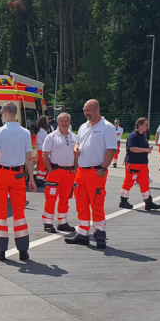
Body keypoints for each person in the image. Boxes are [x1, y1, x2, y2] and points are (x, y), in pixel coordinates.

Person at [65, 100, 117, 248]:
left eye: (89, 110)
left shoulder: (107, 127)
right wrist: (75, 148)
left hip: (96, 171)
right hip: (82, 172)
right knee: (81, 203)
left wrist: (103, 169)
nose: (86, 113)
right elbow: (78, 142)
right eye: (85, 110)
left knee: (97, 203)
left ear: (97, 110)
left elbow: (111, 149)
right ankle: (82, 233)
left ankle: (100, 234)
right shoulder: (83, 127)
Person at [0, 101, 38, 260]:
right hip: (18, 174)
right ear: (15, 113)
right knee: (19, 212)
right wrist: (31, 179)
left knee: (1, 212)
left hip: (3, 173)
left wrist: (1, 160)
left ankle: (1, 250)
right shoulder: (25, 132)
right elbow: (29, 158)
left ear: (3, 113)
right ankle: (23, 251)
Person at [41, 112, 79, 233]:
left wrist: (76, 168)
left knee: (65, 198)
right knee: (51, 197)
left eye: (66, 121)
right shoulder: (51, 137)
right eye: (62, 121)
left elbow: (77, 154)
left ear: (69, 122)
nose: (64, 123)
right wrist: (50, 170)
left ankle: (62, 222)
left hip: (69, 172)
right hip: (55, 171)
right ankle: (48, 222)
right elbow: (45, 154)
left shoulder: (75, 137)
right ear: (57, 122)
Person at [119, 117, 160, 210]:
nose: (147, 126)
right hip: (133, 163)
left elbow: (142, 148)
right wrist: (145, 150)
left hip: (143, 163)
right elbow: (132, 148)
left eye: (148, 125)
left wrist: (147, 149)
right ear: (139, 125)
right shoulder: (133, 136)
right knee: (129, 181)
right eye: (146, 125)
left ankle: (148, 201)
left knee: (144, 182)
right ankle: (123, 201)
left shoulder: (144, 136)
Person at [35, 115, 50, 185]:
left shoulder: (41, 130)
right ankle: (39, 179)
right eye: (47, 120)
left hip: (41, 149)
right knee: (42, 164)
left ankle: (40, 178)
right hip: (42, 149)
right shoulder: (42, 130)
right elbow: (47, 140)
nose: (48, 122)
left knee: (42, 164)